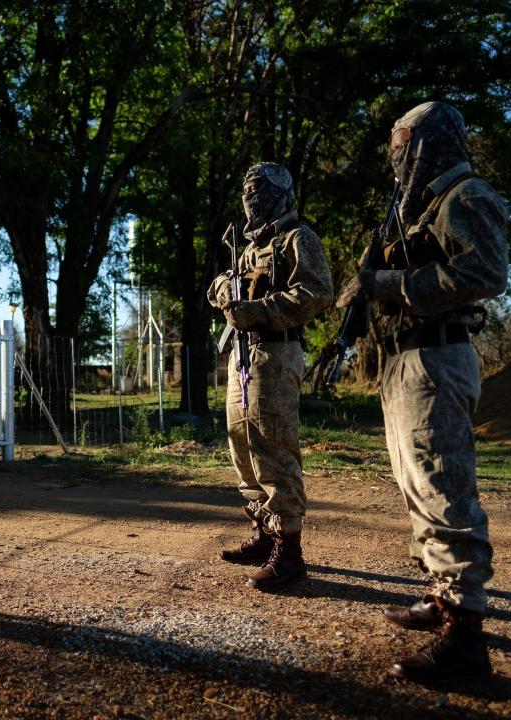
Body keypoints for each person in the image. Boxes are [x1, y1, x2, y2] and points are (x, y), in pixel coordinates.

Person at [336, 101, 508, 683]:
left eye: (403, 143)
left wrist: (393, 282)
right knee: (418, 488)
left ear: (430, 142)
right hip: (408, 358)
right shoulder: (417, 208)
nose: (396, 155)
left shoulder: (465, 196)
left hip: (437, 357)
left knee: (443, 489)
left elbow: (485, 271)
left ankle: (464, 638)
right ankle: (441, 595)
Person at [207, 162, 333, 591]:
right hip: (242, 357)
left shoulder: (299, 238)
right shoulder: (246, 247)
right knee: (242, 446)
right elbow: (220, 285)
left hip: (276, 355)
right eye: (246, 188)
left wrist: (258, 311)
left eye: (259, 189)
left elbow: (317, 292)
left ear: (281, 193)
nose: (251, 196)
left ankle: (290, 551)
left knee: (274, 447)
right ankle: (264, 534)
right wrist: (226, 289)